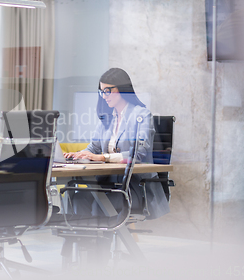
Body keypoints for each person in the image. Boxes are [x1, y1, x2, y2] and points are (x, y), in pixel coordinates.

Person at [64, 68, 170, 219]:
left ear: (122, 88)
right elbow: (93, 148)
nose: (104, 96)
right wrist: (78, 154)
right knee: (77, 198)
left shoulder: (142, 115)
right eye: (102, 91)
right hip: (107, 184)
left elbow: (138, 154)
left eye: (108, 90)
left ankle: (100, 242)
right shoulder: (107, 118)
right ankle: (83, 241)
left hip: (132, 188)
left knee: (98, 204)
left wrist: (102, 157)